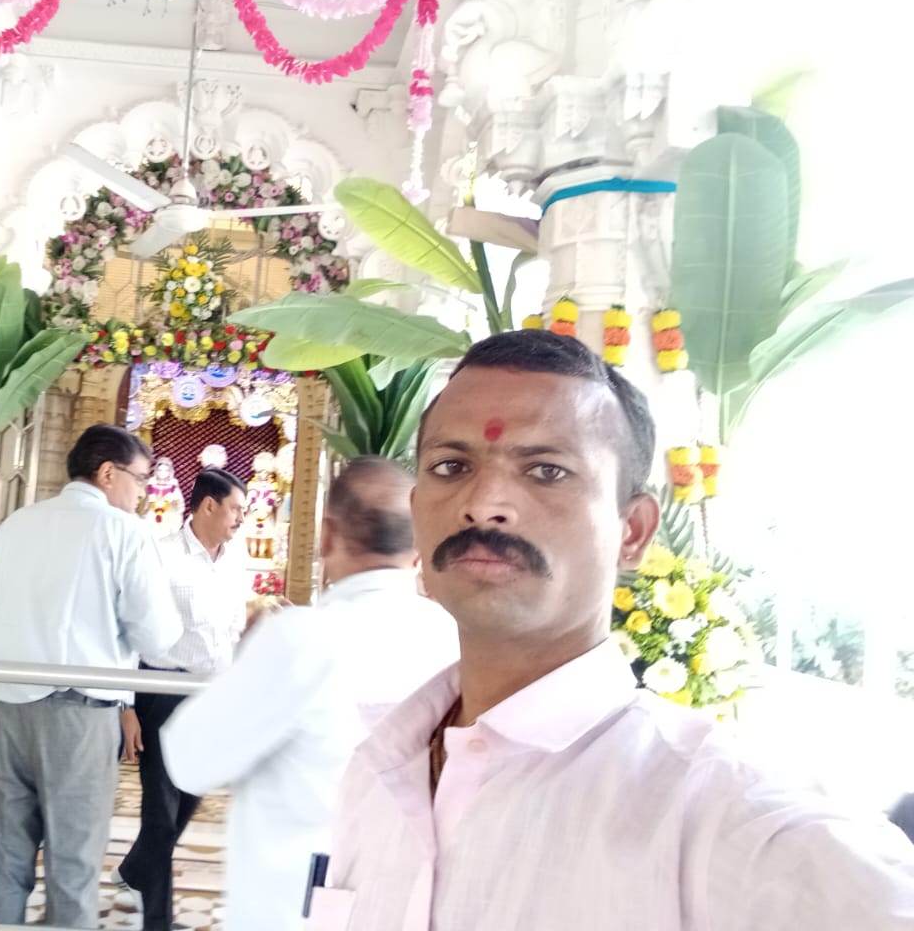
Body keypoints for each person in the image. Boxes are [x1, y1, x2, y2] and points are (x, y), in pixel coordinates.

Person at [324, 330, 914, 929]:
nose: (484, 503)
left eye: (547, 471)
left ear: (632, 531)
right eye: (451, 467)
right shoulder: (377, 773)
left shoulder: (721, 814)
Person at [160, 456, 458, 931]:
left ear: (327, 537)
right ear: (419, 549)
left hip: (295, 899)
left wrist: (250, 661)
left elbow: (189, 758)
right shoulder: (453, 637)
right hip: (410, 902)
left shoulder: (300, 636)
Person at [0, 424, 182, 928]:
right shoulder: (124, 532)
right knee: (73, 865)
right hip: (78, 716)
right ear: (107, 473)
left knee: (3, 859)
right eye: (140, 480)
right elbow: (157, 637)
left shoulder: (16, 524)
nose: (143, 492)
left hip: (4, 709)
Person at [114, 467, 249, 931]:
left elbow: (234, 628)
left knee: (191, 795)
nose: (241, 519)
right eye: (236, 509)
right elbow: (130, 631)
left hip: (211, 693)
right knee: (160, 811)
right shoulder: (161, 554)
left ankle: (136, 869)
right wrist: (127, 704)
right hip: (163, 690)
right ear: (209, 505)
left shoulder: (236, 558)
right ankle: (157, 922)